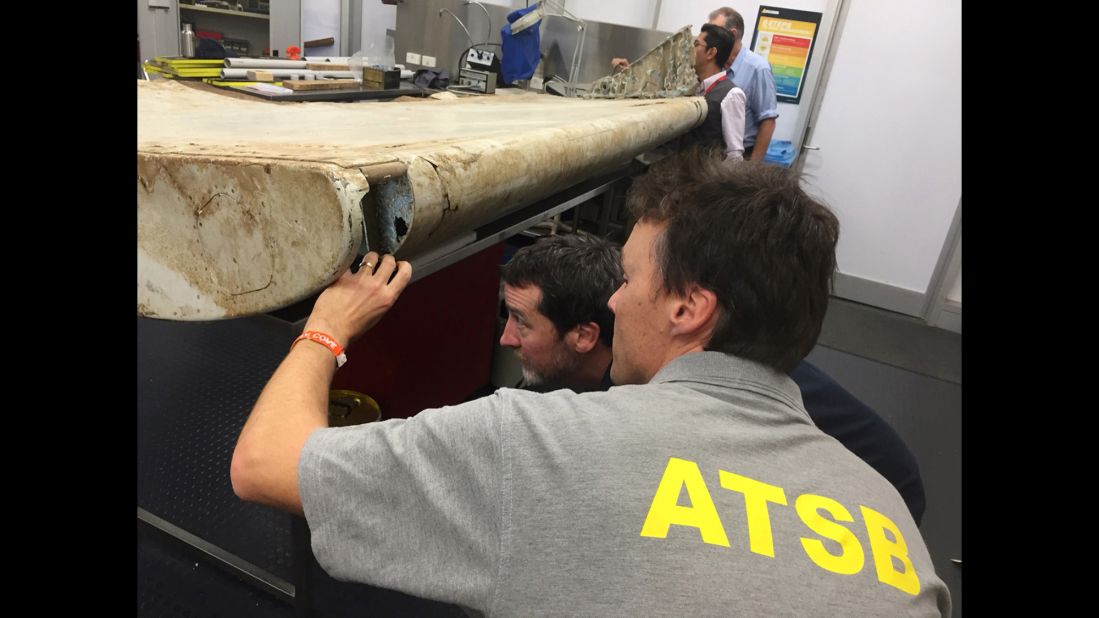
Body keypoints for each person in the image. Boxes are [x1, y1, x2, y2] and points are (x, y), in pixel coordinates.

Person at [231, 152, 950, 615]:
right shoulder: (890, 520)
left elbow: (263, 464)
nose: (612, 300)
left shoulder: (541, 444)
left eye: (630, 278)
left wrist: (326, 326)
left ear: (687, 307)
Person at [499, 233, 926, 524]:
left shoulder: (700, 388)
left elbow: (896, 475)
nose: (505, 338)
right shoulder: (598, 383)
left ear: (584, 336)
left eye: (521, 322)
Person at [708, 6, 779, 161]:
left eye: (715, 33)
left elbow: (768, 121)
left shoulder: (758, 69)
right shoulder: (714, 62)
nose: (709, 39)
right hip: (711, 154)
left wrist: (752, 169)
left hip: (741, 156)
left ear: (732, 34)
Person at [681, 24, 746, 160]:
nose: (690, 49)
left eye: (696, 44)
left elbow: (734, 154)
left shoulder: (732, 94)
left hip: (707, 177)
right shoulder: (695, 88)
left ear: (711, 53)